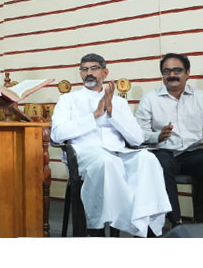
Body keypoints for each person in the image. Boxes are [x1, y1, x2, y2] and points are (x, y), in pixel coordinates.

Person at [51, 53, 171, 237]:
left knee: (148, 159)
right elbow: (57, 135)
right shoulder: (68, 100)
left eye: (94, 68)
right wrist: (95, 116)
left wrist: (112, 113)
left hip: (119, 152)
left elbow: (137, 139)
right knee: (107, 162)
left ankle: (147, 226)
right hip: (85, 153)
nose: (88, 73)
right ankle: (102, 228)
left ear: (105, 72)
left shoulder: (119, 102)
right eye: (84, 69)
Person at [135, 53, 203, 225]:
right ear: (162, 75)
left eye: (177, 70)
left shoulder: (202, 97)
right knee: (161, 166)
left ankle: (201, 220)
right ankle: (175, 221)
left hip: (193, 151)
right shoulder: (150, 99)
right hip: (163, 150)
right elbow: (139, 133)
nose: (172, 75)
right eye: (167, 71)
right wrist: (157, 136)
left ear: (187, 73)